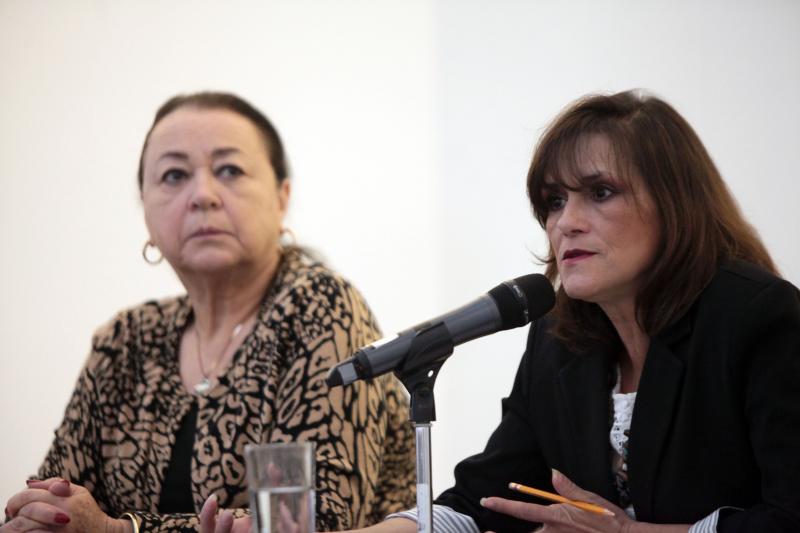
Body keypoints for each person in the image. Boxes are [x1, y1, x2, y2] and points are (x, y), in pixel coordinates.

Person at [287, 90, 797, 533]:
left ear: (674, 203)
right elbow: (484, 498)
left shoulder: (758, 318)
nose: (566, 222)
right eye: (553, 201)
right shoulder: (558, 339)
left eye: (600, 193)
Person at [2, 92, 416, 533]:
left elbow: (313, 521)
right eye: (174, 175)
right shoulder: (126, 340)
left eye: (230, 170)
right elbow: (54, 502)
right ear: (145, 209)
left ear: (282, 198)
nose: (202, 195)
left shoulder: (320, 307)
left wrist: (118, 530)